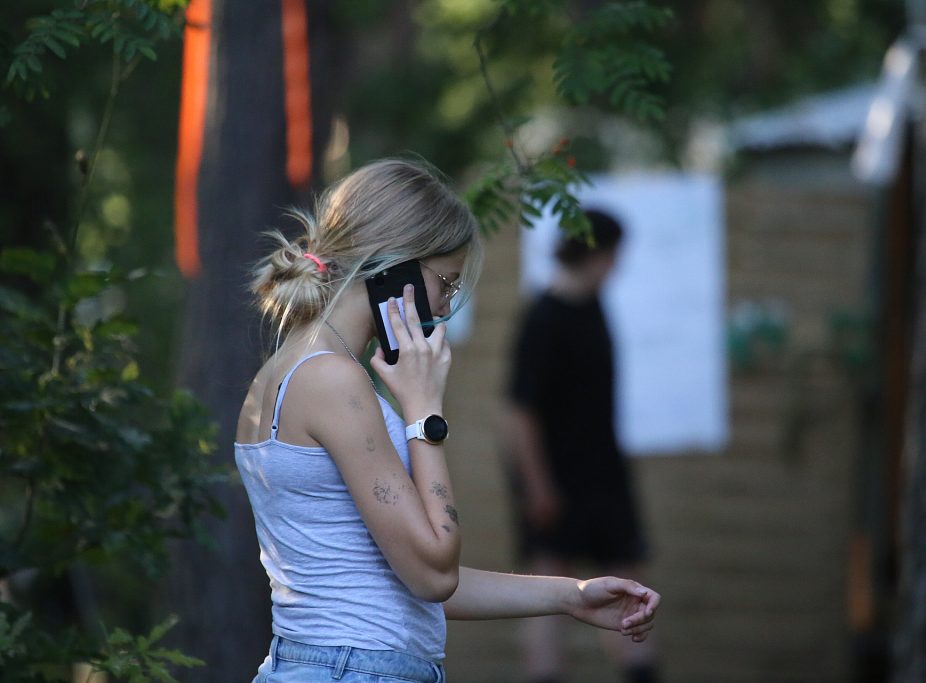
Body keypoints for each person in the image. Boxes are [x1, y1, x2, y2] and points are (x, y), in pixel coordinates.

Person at [234, 159, 660, 683]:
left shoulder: (294, 370)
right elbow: (432, 574)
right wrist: (424, 413)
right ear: (397, 265)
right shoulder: (332, 380)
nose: (444, 305)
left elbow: (421, 578)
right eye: (446, 282)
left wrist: (572, 596)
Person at [503, 209, 659, 683]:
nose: (617, 264)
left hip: (604, 475)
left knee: (628, 588)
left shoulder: (595, 307)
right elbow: (519, 413)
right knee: (551, 592)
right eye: (614, 253)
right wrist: (538, 487)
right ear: (596, 253)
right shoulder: (544, 317)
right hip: (556, 479)